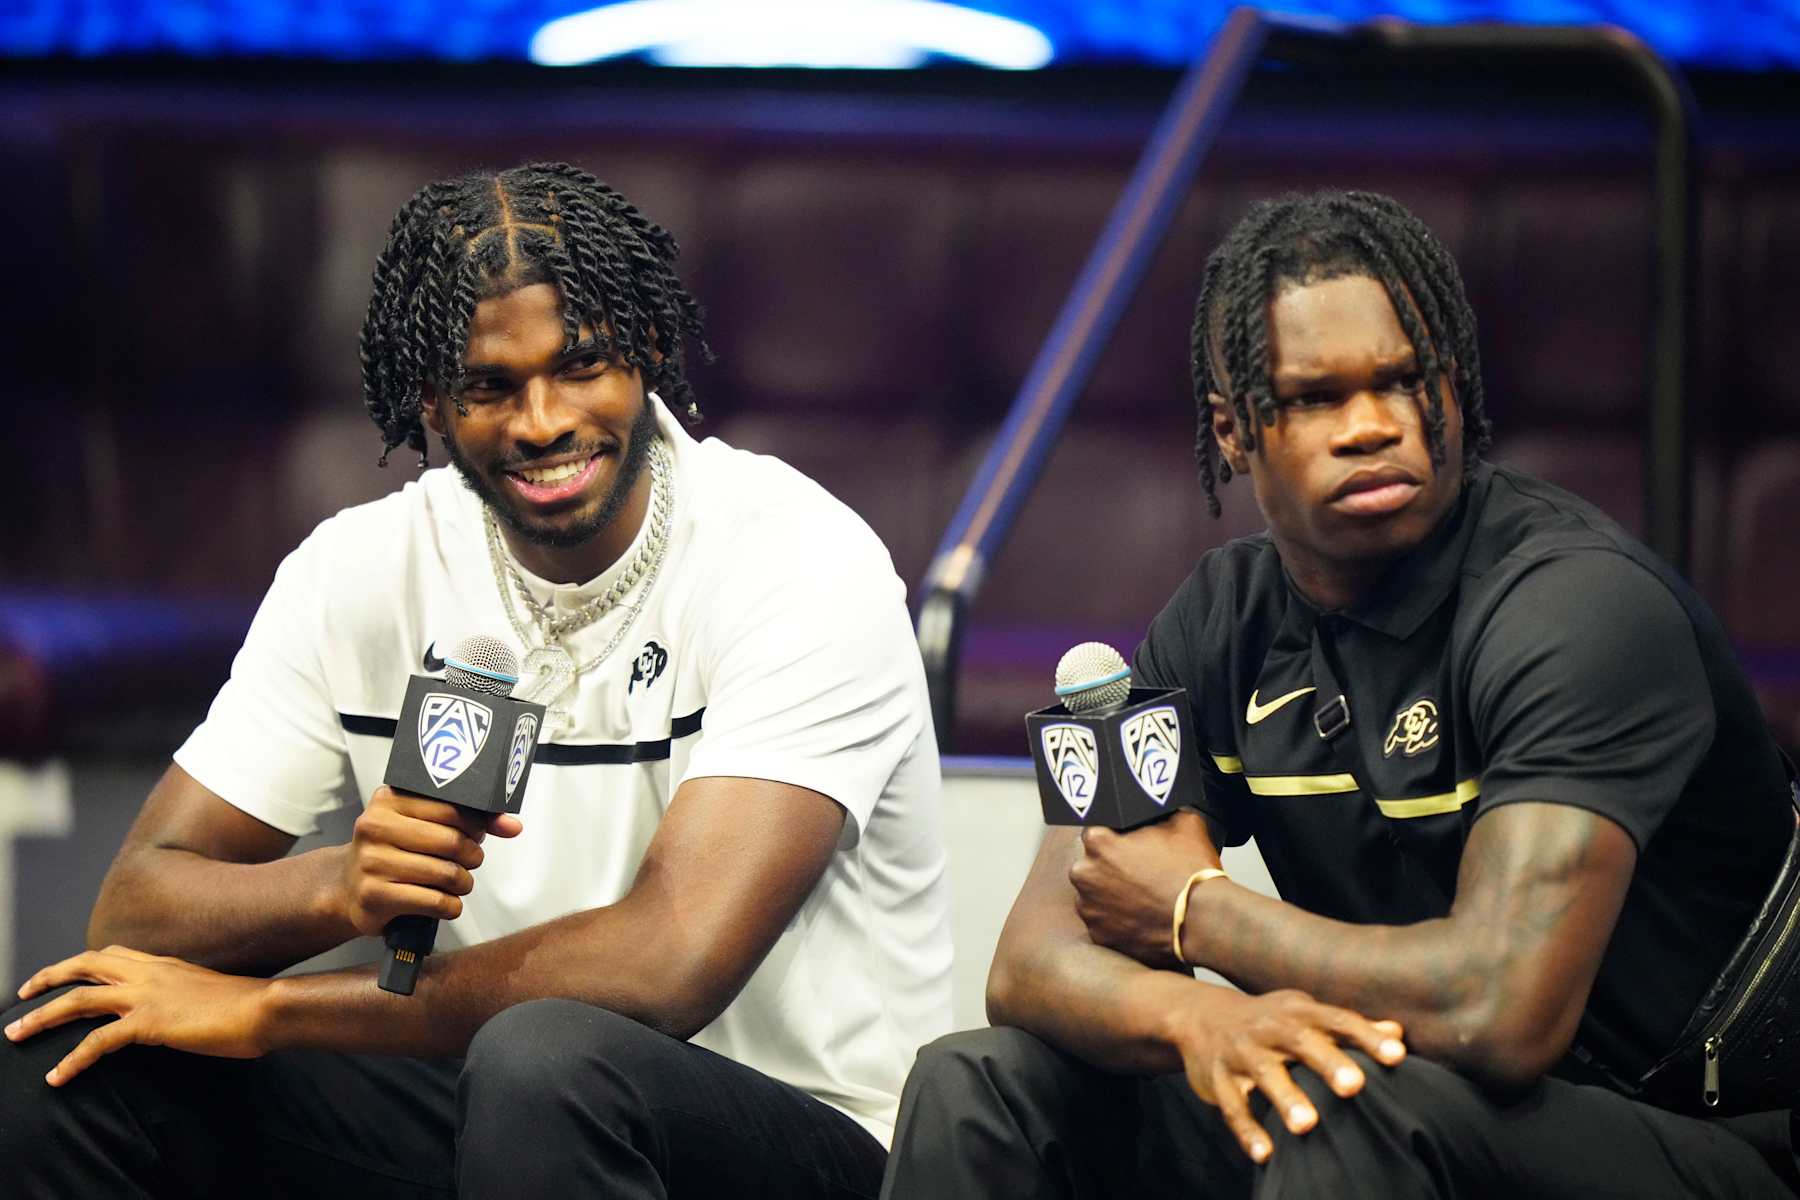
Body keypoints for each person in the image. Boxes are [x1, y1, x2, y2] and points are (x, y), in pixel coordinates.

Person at [0, 162, 951, 1199]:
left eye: (581, 367)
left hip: (808, 1139)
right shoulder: (359, 572)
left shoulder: (796, 558)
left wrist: (270, 1010)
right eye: (491, 386)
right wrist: (336, 885)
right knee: (68, 1050)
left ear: (651, 355)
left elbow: (668, 961)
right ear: (434, 404)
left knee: (546, 1064)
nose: (541, 421)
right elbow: (139, 912)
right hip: (490, 1100)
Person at [881, 189, 1799, 1198]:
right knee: (980, 1083)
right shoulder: (1223, 620)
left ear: (1451, 387)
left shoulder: (1576, 605)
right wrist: (1205, 1018)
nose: (1371, 427)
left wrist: (1197, 914)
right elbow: (1034, 962)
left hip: (1696, 1139)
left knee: (1339, 1106)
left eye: (1405, 382)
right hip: (1411, 1109)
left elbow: (1504, 1007)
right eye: (1316, 397)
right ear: (1233, 432)